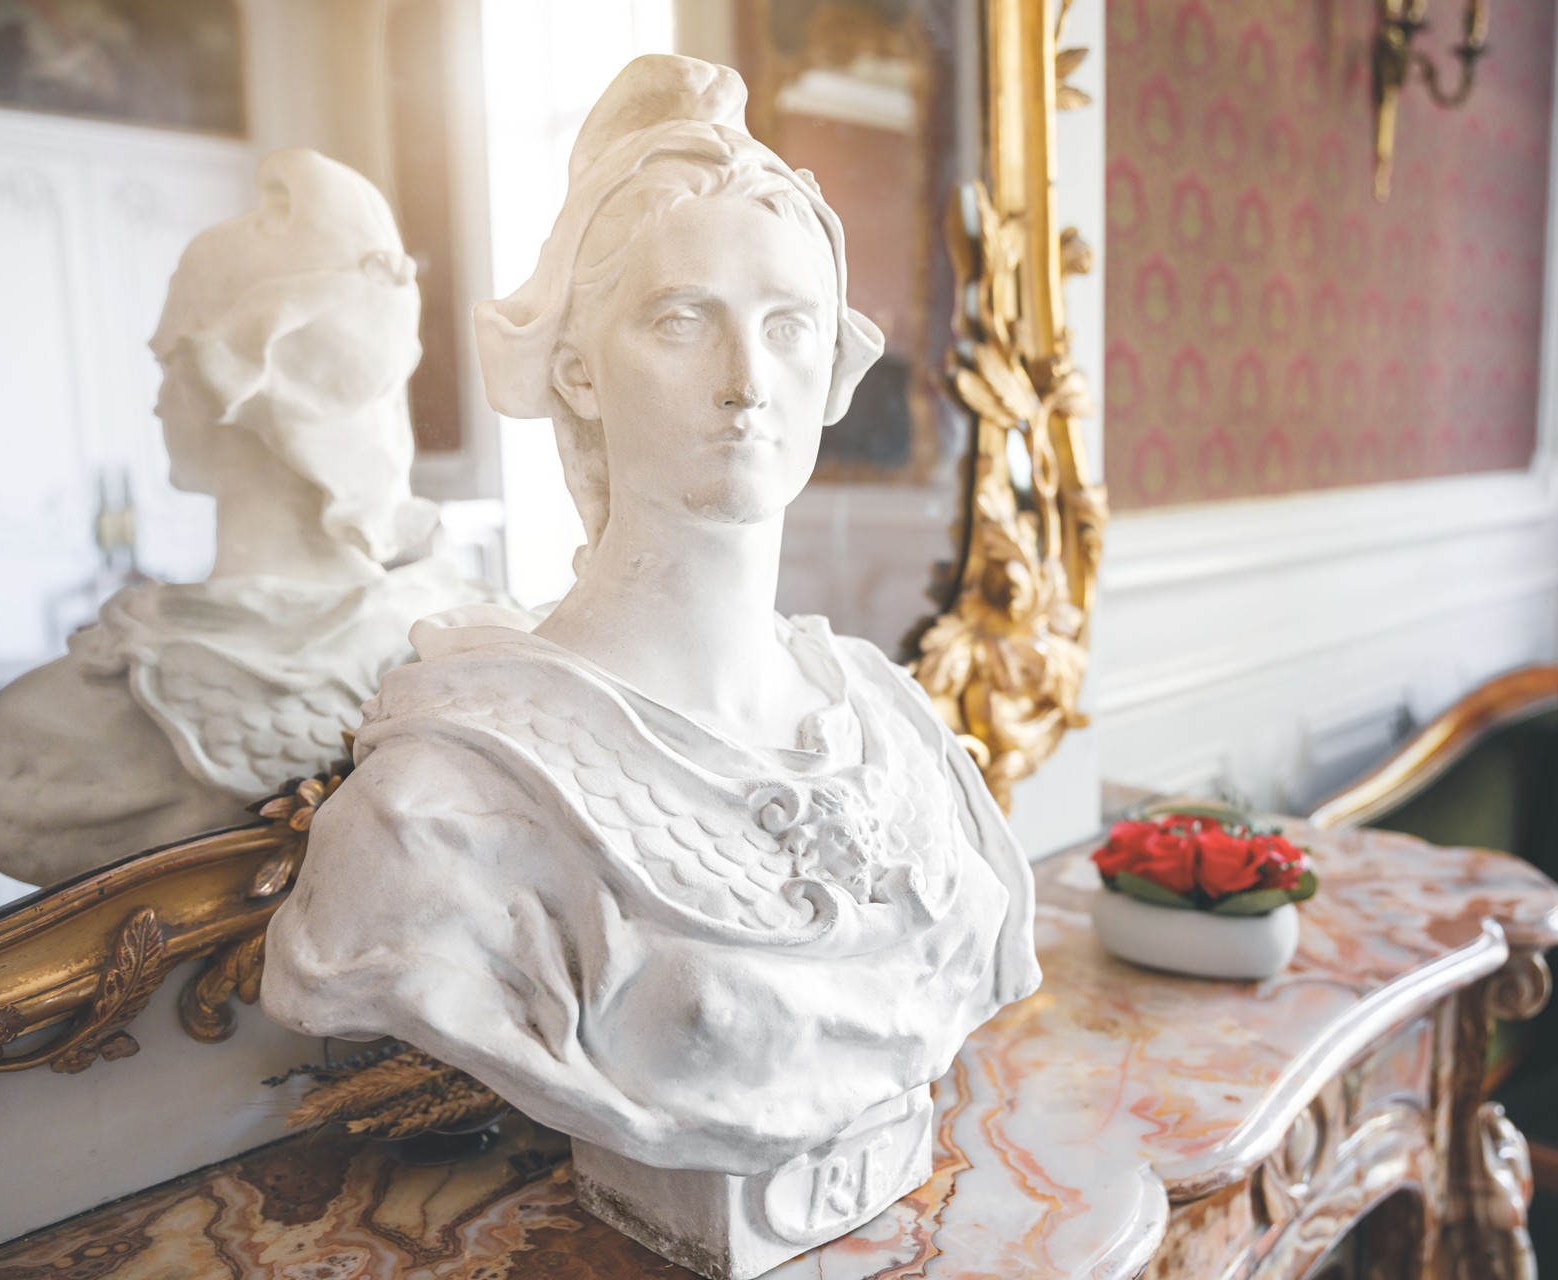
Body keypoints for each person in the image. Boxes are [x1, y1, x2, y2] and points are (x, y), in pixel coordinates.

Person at [261, 54, 1038, 1274]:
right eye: (683, 321)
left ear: (830, 368)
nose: (745, 385)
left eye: (786, 327)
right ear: (576, 365)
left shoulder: (894, 730)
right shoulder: (444, 810)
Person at [0, 149, 500, 888]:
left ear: (237, 390)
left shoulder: (42, 737)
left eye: (168, 366)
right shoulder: (495, 644)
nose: (158, 403)